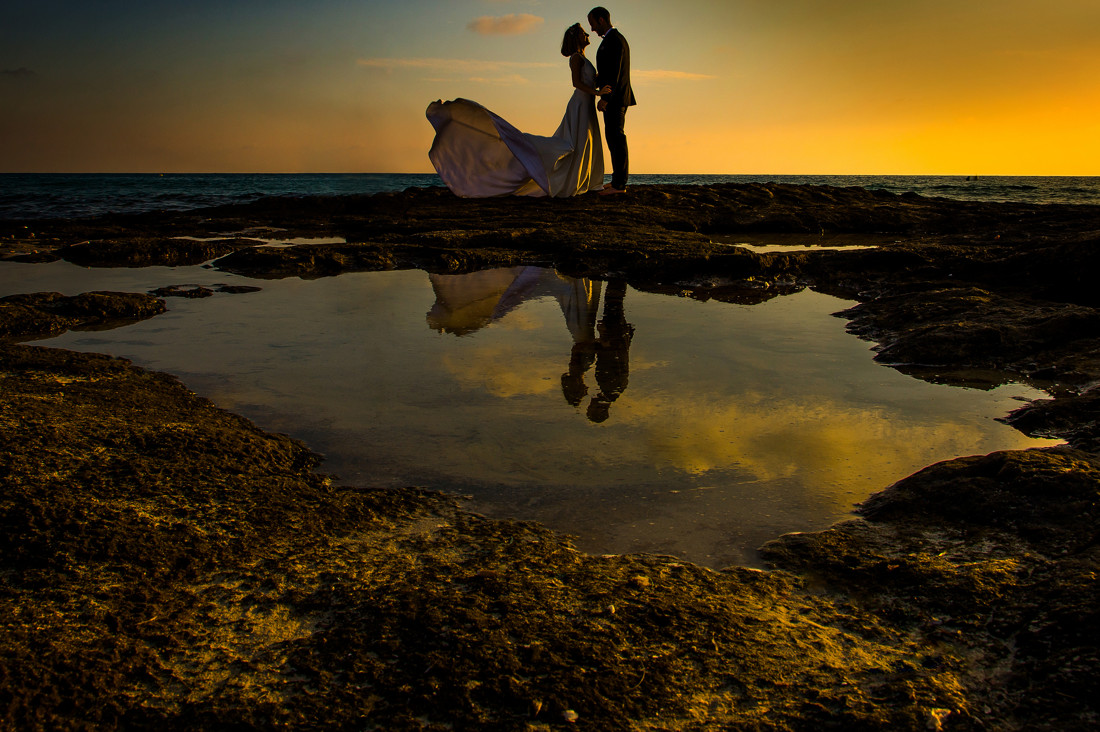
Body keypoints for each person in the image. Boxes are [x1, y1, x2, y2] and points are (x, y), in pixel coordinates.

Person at [425, 23, 604, 198]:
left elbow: (589, 80)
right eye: (583, 32)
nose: (587, 34)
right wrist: (597, 92)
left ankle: (586, 181)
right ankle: (542, 162)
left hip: (586, 104)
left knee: (586, 141)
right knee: (574, 143)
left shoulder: (584, 58)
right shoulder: (576, 58)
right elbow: (576, 84)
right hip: (580, 104)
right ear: (576, 38)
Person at [588, 6, 635, 196]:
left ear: (601, 20)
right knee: (613, 139)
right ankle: (617, 180)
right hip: (616, 96)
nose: (592, 29)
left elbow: (614, 73)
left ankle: (619, 184)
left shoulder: (614, 41)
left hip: (615, 97)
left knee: (617, 139)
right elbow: (608, 72)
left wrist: (605, 98)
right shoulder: (613, 40)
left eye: (592, 24)